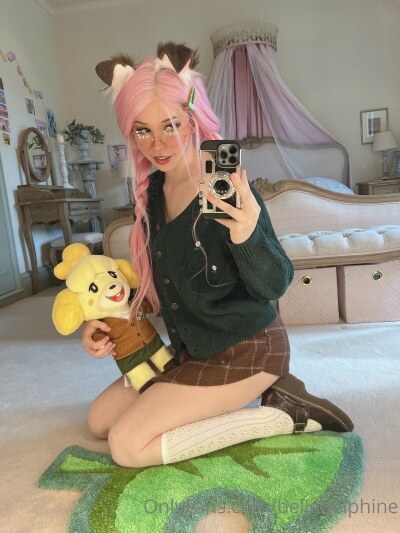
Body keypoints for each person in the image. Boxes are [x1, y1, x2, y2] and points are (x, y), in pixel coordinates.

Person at [82, 42, 353, 468]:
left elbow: (275, 283)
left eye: (171, 125)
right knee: (99, 421)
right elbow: (166, 288)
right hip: (192, 350)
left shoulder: (223, 183)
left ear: (192, 116)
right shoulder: (153, 193)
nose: (158, 143)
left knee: (127, 445)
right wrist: (108, 320)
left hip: (248, 351)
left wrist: (247, 235)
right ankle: (211, 401)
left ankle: (283, 414)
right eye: (143, 130)